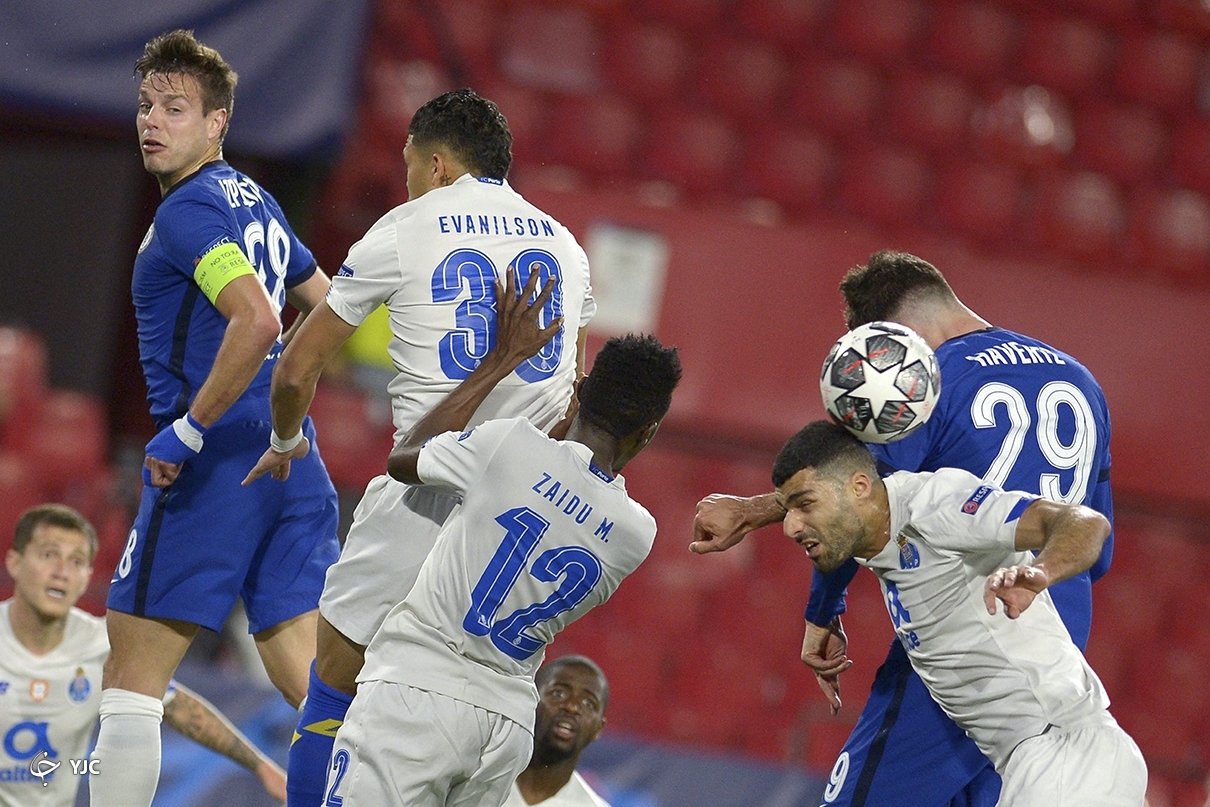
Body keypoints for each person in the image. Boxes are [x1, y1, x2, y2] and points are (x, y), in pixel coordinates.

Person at [242, 88, 596, 806]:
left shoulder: (405, 227)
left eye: (408, 163)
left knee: (333, 686)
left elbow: (295, 368)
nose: (406, 179)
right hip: (519, 523)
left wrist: (284, 438)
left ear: (436, 165)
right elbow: (574, 401)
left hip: (422, 494)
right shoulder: (567, 247)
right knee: (473, 714)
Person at [691, 250, 1114, 806]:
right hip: (1058, 645)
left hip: (967, 633)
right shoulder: (1081, 380)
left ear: (892, 338)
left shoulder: (922, 383)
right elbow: (1098, 549)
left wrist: (823, 610)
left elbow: (854, 505)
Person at [319, 274, 680, 806]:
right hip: (506, 726)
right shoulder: (636, 533)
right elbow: (563, 493)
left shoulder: (509, 444)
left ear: (580, 392)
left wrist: (500, 360)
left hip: (418, 690)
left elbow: (405, 460)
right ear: (648, 432)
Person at [94, 30, 340, 807]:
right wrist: (285, 404)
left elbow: (258, 319)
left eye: (174, 108)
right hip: (290, 461)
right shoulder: (256, 198)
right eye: (145, 105)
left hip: (211, 470)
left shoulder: (188, 212)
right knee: (317, 692)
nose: (151, 121)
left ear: (217, 122)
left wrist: (191, 428)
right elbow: (330, 306)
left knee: (131, 681)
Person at [772, 421, 1145, 805]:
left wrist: (1041, 572)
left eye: (805, 504)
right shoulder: (884, 533)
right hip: (1054, 763)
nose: (790, 526)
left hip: (1063, 758)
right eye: (787, 510)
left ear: (860, 487)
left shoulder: (936, 506)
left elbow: (1087, 522)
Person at [1, 504, 286, 807]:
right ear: (14, 563)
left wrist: (262, 767)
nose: (61, 573)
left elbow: (180, 708)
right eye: (48, 555)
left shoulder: (103, 644)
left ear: (86, 578)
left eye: (77, 562)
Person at [505, 655, 612, 807]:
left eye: (588, 703)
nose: (572, 707)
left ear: (598, 729)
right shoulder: (477, 774)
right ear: (531, 701)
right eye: (559, 693)